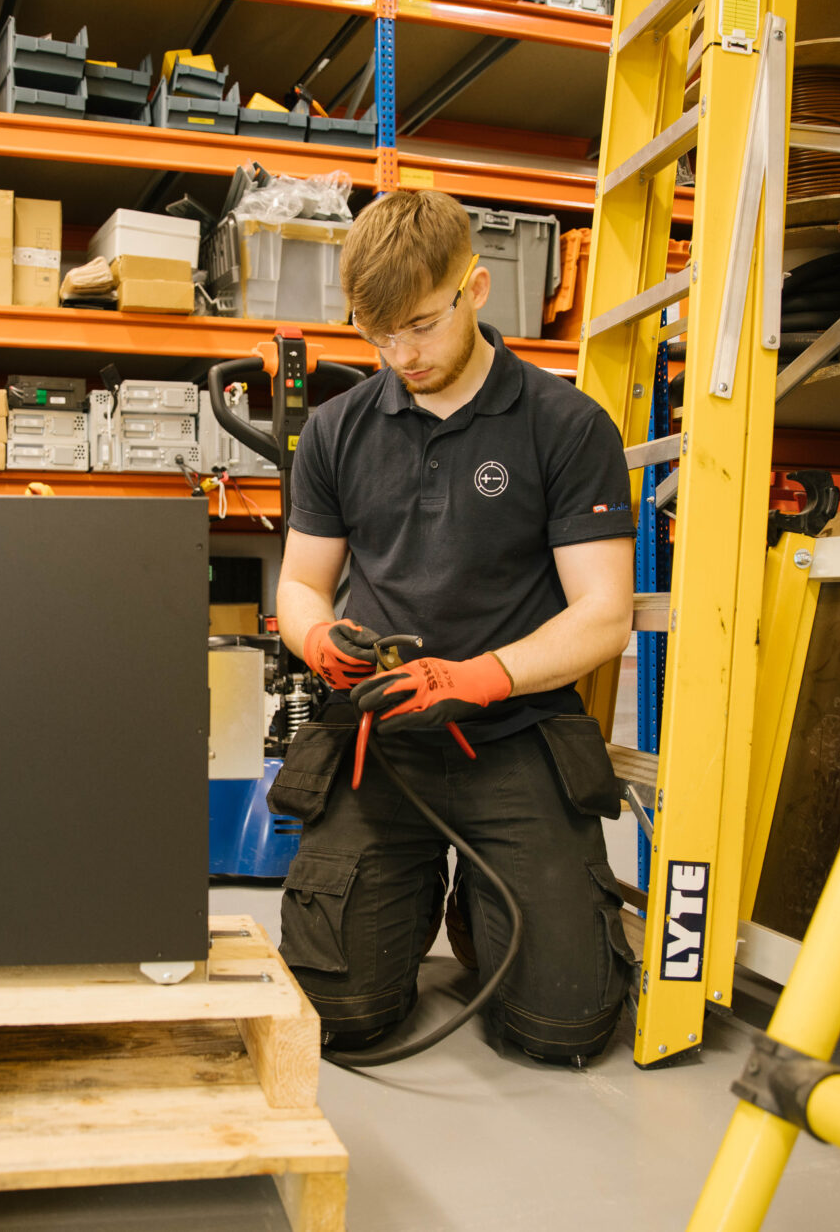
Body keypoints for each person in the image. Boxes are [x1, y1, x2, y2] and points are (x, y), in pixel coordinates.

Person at [270, 189, 638, 1063]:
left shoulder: (566, 426)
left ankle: (482, 899)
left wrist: (480, 677)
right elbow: (299, 583)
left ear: (475, 289)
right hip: (381, 739)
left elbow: (603, 613)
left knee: (565, 1029)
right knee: (336, 1022)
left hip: (512, 734)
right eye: (376, 334)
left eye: (420, 327)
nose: (400, 355)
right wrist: (319, 640)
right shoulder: (335, 430)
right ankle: (409, 891)